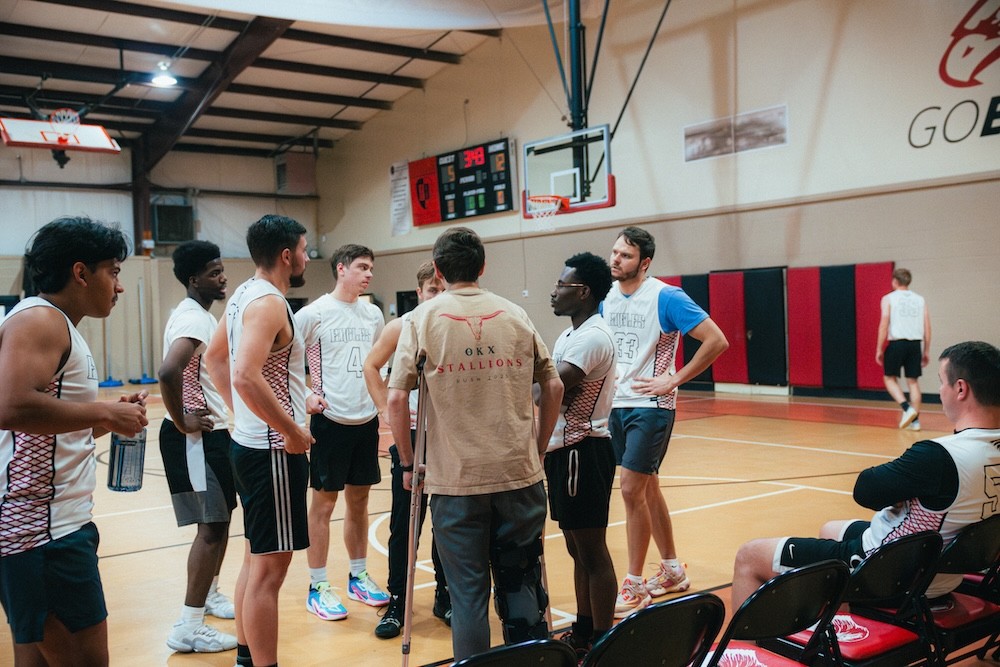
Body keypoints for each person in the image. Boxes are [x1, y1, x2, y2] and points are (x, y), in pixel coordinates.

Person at [387, 227, 563, 661]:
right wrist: (538, 448)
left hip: (454, 484)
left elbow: (395, 397)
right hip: (518, 476)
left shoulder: (421, 319)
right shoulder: (515, 313)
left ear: (440, 270)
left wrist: (409, 465)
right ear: (482, 267)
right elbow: (553, 384)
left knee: (467, 598)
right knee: (521, 585)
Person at [732, 340, 1000, 606]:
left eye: (942, 382)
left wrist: (905, 492)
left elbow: (866, 490)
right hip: (945, 571)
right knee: (830, 528)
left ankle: (743, 650)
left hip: (890, 574)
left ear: (961, 389)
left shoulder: (939, 456)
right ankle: (842, 629)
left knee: (749, 555)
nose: (941, 391)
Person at [0, 216, 148, 666]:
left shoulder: (56, 323)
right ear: (81, 272)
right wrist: (104, 411)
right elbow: (9, 406)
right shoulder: (41, 319)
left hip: (48, 528)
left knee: (36, 659)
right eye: (115, 271)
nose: (119, 287)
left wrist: (110, 419)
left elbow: (44, 429)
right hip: (42, 532)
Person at [205, 214, 316, 667]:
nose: (308, 257)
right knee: (270, 571)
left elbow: (215, 359)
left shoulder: (241, 298)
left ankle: (247, 657)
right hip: (272, 451)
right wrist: (290, 431)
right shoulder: (268, 302)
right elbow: (242, 373)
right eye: (305, 250)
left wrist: (241, 417)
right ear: (286, 255)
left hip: (250, 444)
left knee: (255, 559)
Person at [603, 226, 729, 617]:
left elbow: (716, 340)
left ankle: (635, 582)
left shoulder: (665, 296)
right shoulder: (607, 297)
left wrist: (673, 378)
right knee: (648, 489)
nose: (615, 259)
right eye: (614, 252)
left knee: (629, 490)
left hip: (651, 406)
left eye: (625, 255)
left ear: (645, 262)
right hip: (615, 406)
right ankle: (672, 569)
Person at [295, 244, 389, 621]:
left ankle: (358, 576)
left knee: (360, 502)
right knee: (323, 505)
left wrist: (382, 409)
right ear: (341, 269)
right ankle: (317, 585)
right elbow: (279, 358)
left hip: (364, 422)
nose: (368, 274)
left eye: (371, 268)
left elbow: (378, 364)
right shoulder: (313, 313)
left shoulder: (373, 315)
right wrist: (304, 396)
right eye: (362, 267)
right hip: (329, 423)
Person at [361, 261, 450, 639]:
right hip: (412, 435)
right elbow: (371, 366)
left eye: (443, 289)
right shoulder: (402, 326)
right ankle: (398, 600)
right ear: (419, 293)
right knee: (405, 525)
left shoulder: (456, 324)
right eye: (432, 290)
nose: (438, 297)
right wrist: (386, 409)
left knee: (449, 521)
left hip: (448, 435)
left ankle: (445, 596)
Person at [158, 240, 238, 654]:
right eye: (212, 272)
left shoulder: (201, 316)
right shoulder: (192, 318)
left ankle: (209, 594)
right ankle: (188, 626)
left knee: (220, 523)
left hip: (212, 434)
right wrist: (180, 419)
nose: (222, 277)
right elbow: (168, 370)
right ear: (193, 280)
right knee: (210, 529)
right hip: (195, 438)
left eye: (222, 269)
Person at [545, 252, 618, 660]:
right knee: (576, 549)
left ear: (583, 292)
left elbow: (549, 392)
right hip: (564, 452)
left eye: (562, 284)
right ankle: (585, 629)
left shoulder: (593, 337)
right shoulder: (570, 335)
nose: (554, 291)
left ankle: (605, 642)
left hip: (583, 451)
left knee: (592, 551)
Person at [876, 267, 931, 431]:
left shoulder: (888, 298)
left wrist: (879, 348)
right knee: (913, 382)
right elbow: (927, 327)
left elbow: (884, 324)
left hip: (897, 343)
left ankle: (907, 410)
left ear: (894, 281)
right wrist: (926, 350)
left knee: (889, 378)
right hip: (915, 344)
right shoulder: (920, 300)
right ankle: (915, 422)